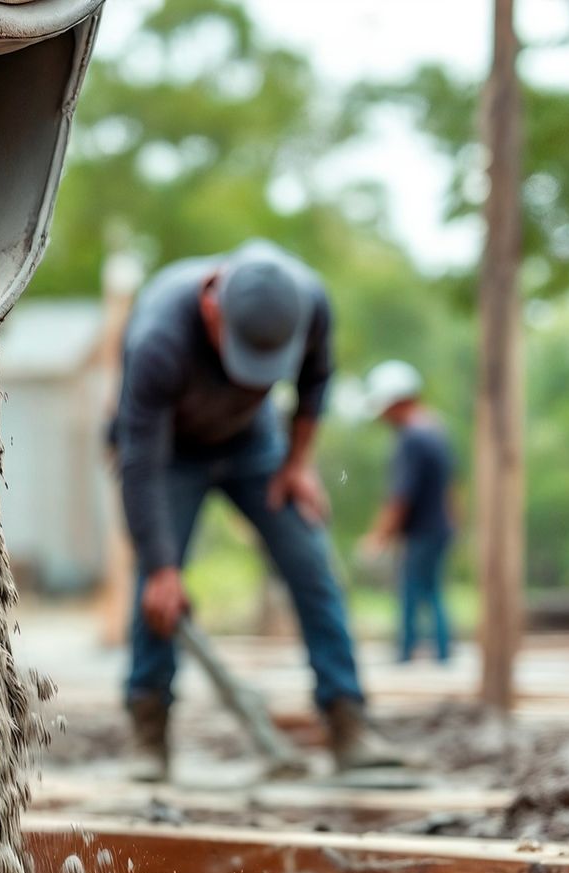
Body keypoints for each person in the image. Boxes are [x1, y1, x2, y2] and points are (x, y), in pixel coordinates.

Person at [111, 240, 400, 780]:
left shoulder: (309, 302)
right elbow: (140, 463)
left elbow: (315, 384)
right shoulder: (159, 337)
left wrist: (296, 463)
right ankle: (148, 730)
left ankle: (349, 721)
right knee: (158, 588)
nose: (252, 377)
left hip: (255, 447)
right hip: (169, 454)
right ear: (212, 308)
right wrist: (160, 565)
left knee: (312, 563)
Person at [358, 361, 456, 664]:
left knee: (413, 592)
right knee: (431, 591)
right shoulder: (437, 430)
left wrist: (379, 536)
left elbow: (400, 496)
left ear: (397, 401)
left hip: (423, 530)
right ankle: (442, 654)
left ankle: (406, 654)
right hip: (440, 527)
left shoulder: (412, 439)